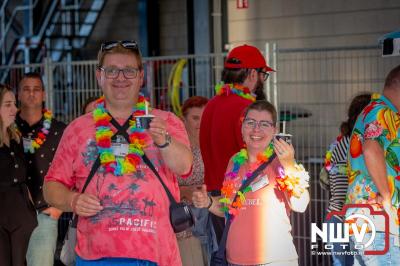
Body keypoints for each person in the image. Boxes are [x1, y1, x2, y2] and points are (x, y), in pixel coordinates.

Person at [43, 40, 193, 266]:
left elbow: (184, 167)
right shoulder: (77, 129)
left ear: (141, 76)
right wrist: (72, 200)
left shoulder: (167, 122)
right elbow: (51, 187)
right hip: (96, 256)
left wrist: (164, 140)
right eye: (111, 70)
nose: (120, 78)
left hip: (157, 254)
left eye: (129, 71)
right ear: (99, 76)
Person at [193, 100, 310, 266]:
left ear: (274, 130)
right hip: (235, 261)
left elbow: (301, 204)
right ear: (242, 128)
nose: (256, 129)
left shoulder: (282, 162)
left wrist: (290, 165)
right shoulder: (235, 162)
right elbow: (230, 208)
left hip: (274, 261)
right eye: (250, 122)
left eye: (264, 124)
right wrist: (208, 202)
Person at [200, 44, 274, 241]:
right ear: (251, 74)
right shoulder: (250, 110)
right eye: (262, 75)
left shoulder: (211, 105)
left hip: (215, 198)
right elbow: (258, 158)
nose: (261, 81)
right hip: (242, 196)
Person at [346, 65, 400, 265]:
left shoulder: (375, 110)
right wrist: (386, 195)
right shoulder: (382, 112)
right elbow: (371, 148)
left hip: (368, 220)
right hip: (378, 221)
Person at [15, 72, 67, 266]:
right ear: (18, 94)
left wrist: (57, 209)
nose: (31, 94)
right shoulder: (7, 129)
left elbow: (72, 171)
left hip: (44, 214)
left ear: (44, 94)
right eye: (26, 89)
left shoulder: (59, 130)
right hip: (10, 215)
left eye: (36, 89)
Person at [322, 93, 371, 266]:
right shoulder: (367, 146)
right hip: (358, 218)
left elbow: (325, 181)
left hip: (334, 216)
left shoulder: (335, 146)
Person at [0, 84, 38, 266]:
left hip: (21, 219)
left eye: (14, 103)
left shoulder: (16, 138)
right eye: (8, 104)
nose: (15, 109)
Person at [176, 96, 210, 266]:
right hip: (185, 224)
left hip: (211, 218)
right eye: (195, 118)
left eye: (204, 118)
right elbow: (161, 185)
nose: (200, 123)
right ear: (183, 119)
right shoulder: (176, 148)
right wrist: (184, 191)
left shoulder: (211, 144)